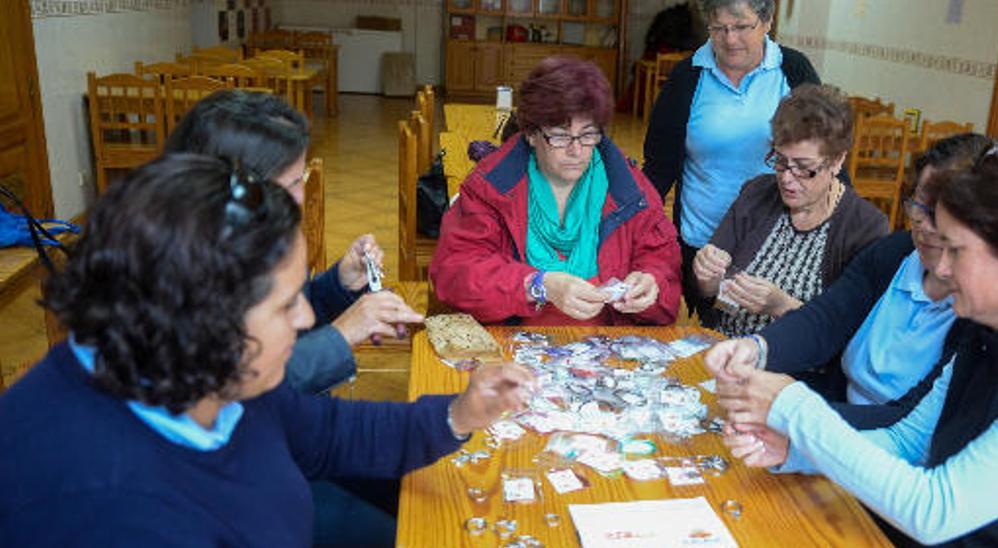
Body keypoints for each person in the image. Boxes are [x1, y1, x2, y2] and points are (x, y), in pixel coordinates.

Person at [0, 154, 532, 545]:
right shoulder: (110, 511)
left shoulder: (202, 369)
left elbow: (326, 432)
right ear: (201, 320)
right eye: (284, 306)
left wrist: (459, 413)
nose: (306, 317)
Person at [707, 141, 998, 545]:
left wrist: (794, 407)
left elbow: (935, 510)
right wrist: (795, 451)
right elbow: (908, 440)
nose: (941, 269)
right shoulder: (989, 332)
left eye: (956, 250)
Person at [706, 133, 991, 412]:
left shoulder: (982, 308)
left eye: (943, 214)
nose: (926, 226)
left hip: (877, 440)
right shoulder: (895, 252)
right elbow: (827, 317)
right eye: (919, 205)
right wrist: (758, 348)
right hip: (837, 410)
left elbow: (912, 425)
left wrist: (793, 412)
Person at [166, 89, 422, 395]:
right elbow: (243, 387)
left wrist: (340, 282)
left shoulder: (263, 233)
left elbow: (295, 314)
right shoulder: (183, 269)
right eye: (293, 183)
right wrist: (341, 335)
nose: (302, 197)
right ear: (234, 186)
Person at [432, 56, 680, 326]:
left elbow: (664, 269)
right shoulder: (491, 187)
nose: (576, 151)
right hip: (512, 346)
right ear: (530, 133)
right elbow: (455, 274)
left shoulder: (630, 191)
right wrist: (538, 285)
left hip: (605, 346)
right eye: (560, 136)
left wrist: (651, 283)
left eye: (588, 135)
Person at [643, 0, 820, 322]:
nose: (730, 39)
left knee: (769, 337)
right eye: (719, 28)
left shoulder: (793, 71)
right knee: (714, 334)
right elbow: (658, 168)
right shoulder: (688, 76)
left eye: (741, 27)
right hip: (704, 243)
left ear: (767, 22)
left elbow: (822, 151)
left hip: (777, 244)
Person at [691, 84, 886, 336]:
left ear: (837, 161)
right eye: (781, 161)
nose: (786, 179)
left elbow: (850, 332)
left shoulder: (865, 227)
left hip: (796, 369)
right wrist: (707, 276)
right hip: (726, 348)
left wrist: (782, 306)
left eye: (804, 167)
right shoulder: (757, 193)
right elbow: (712, 294)